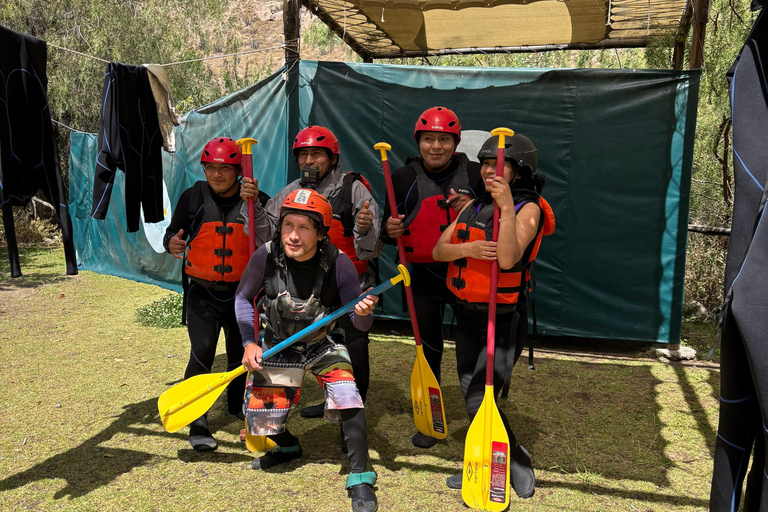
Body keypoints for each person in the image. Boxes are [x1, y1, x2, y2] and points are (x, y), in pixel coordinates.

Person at [235, 188, 379, 512]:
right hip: (278, 343)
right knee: (259, 419)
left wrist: (363, 312)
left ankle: (360, 475)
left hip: (323, 343)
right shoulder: (265, 256)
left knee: (348, 395)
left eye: (304, 228)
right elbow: (243, 297)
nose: (293, 236)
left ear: (321, 233)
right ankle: (288, 447)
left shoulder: (339, 264)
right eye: (288, 225)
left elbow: (360, 325)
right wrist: (248, 342)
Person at [432, 133, 554, 498]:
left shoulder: (529, 209)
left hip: (501, 321)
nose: (488, 171)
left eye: (498, 165)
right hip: (468, 317)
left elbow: (508, 258)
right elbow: (439, 251)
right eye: (485, 164)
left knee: (478, 396)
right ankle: (494, 456)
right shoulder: (472, 206)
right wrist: (468, 248)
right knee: (473, 395)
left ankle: (513, 461)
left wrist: (506, 209)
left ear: (521, 172)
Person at [241, 125, 382, 421]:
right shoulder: (290, 192)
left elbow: (370, 249)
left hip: (348, 286)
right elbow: (266, 235)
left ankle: (351, 419)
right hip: (310, 291)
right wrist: (252, 206)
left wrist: (365, 228)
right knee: (311, 350)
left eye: (317, 154)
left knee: (354, 353)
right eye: (303, 155)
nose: (308, 160)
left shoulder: (353, 188)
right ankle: (317, 402)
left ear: (332, 158)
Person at [380, 106, 484, 448]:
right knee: (429, 349)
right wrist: (389, 229)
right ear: (418, 142)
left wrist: (473, 208)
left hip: (466, 275)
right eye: (428, 139)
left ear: (456, 142)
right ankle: (431, 418)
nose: (435, 146)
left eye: (444, 140)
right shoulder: (401, 178)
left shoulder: (475, 174)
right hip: (422, 279)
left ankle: (479, 417)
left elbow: (495, 221)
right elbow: (388, 231)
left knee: (471, 352)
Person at [163, 136, 270, 452]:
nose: (216, 174)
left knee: (240, 354)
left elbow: (270, 238)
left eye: (224, 168)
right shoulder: (192, 197)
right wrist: (171, 243)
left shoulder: (256, 198)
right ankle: (198, 420)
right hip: (203, 294)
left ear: (238, 170)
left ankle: (236, 404)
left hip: (242, 295)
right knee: (203, 351)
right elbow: (172, 233)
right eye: (210, 168)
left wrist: (255, 205)